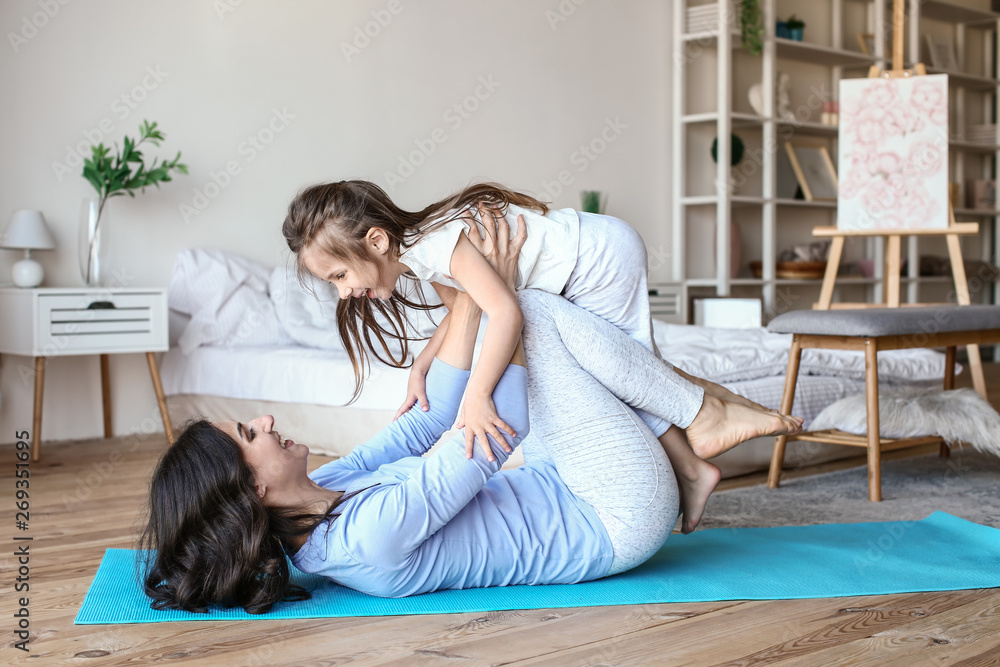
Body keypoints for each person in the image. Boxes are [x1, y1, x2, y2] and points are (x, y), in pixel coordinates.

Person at [139, 218, 802, 614]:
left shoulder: (330, 493)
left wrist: (468, 290)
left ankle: (688, 452)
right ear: (253, 488)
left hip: (566, 478)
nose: (263, 419)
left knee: (525, 316)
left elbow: (432, 423)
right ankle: (698, 412)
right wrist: (500, 295)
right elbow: (497, 424)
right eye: (249, 434)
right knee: (534, 314)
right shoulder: (364, 539)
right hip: (613, 514)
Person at [281, 181, 802, 531]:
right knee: (622, 372)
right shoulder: (420, 255)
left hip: (598, 258)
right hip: (590, 260)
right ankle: (698, 456)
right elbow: (467, 309)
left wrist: (480, 396)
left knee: (625, 373)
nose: (343, 291)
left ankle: (701, 438)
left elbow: (505, 313)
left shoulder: (436, 247)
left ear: (375, 241)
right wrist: (422, 364)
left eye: (340, 276)